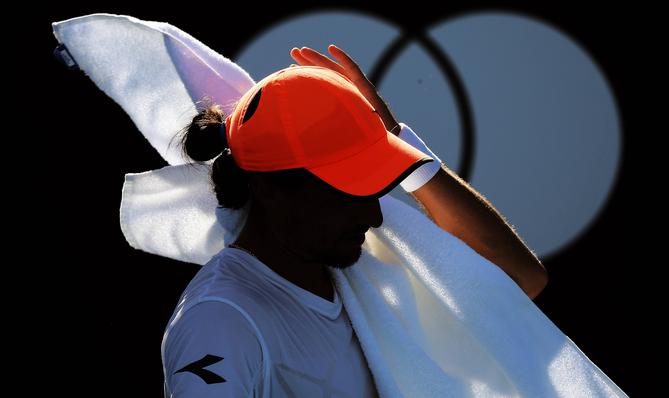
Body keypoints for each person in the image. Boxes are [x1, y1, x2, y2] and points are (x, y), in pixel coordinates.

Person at [161, 45, 547, 397]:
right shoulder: (219, 321)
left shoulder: (368, 273)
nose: (374, 215)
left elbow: (520, 280)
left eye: (376, 188)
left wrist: (395, 140)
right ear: (270, 189)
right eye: (349, 189)